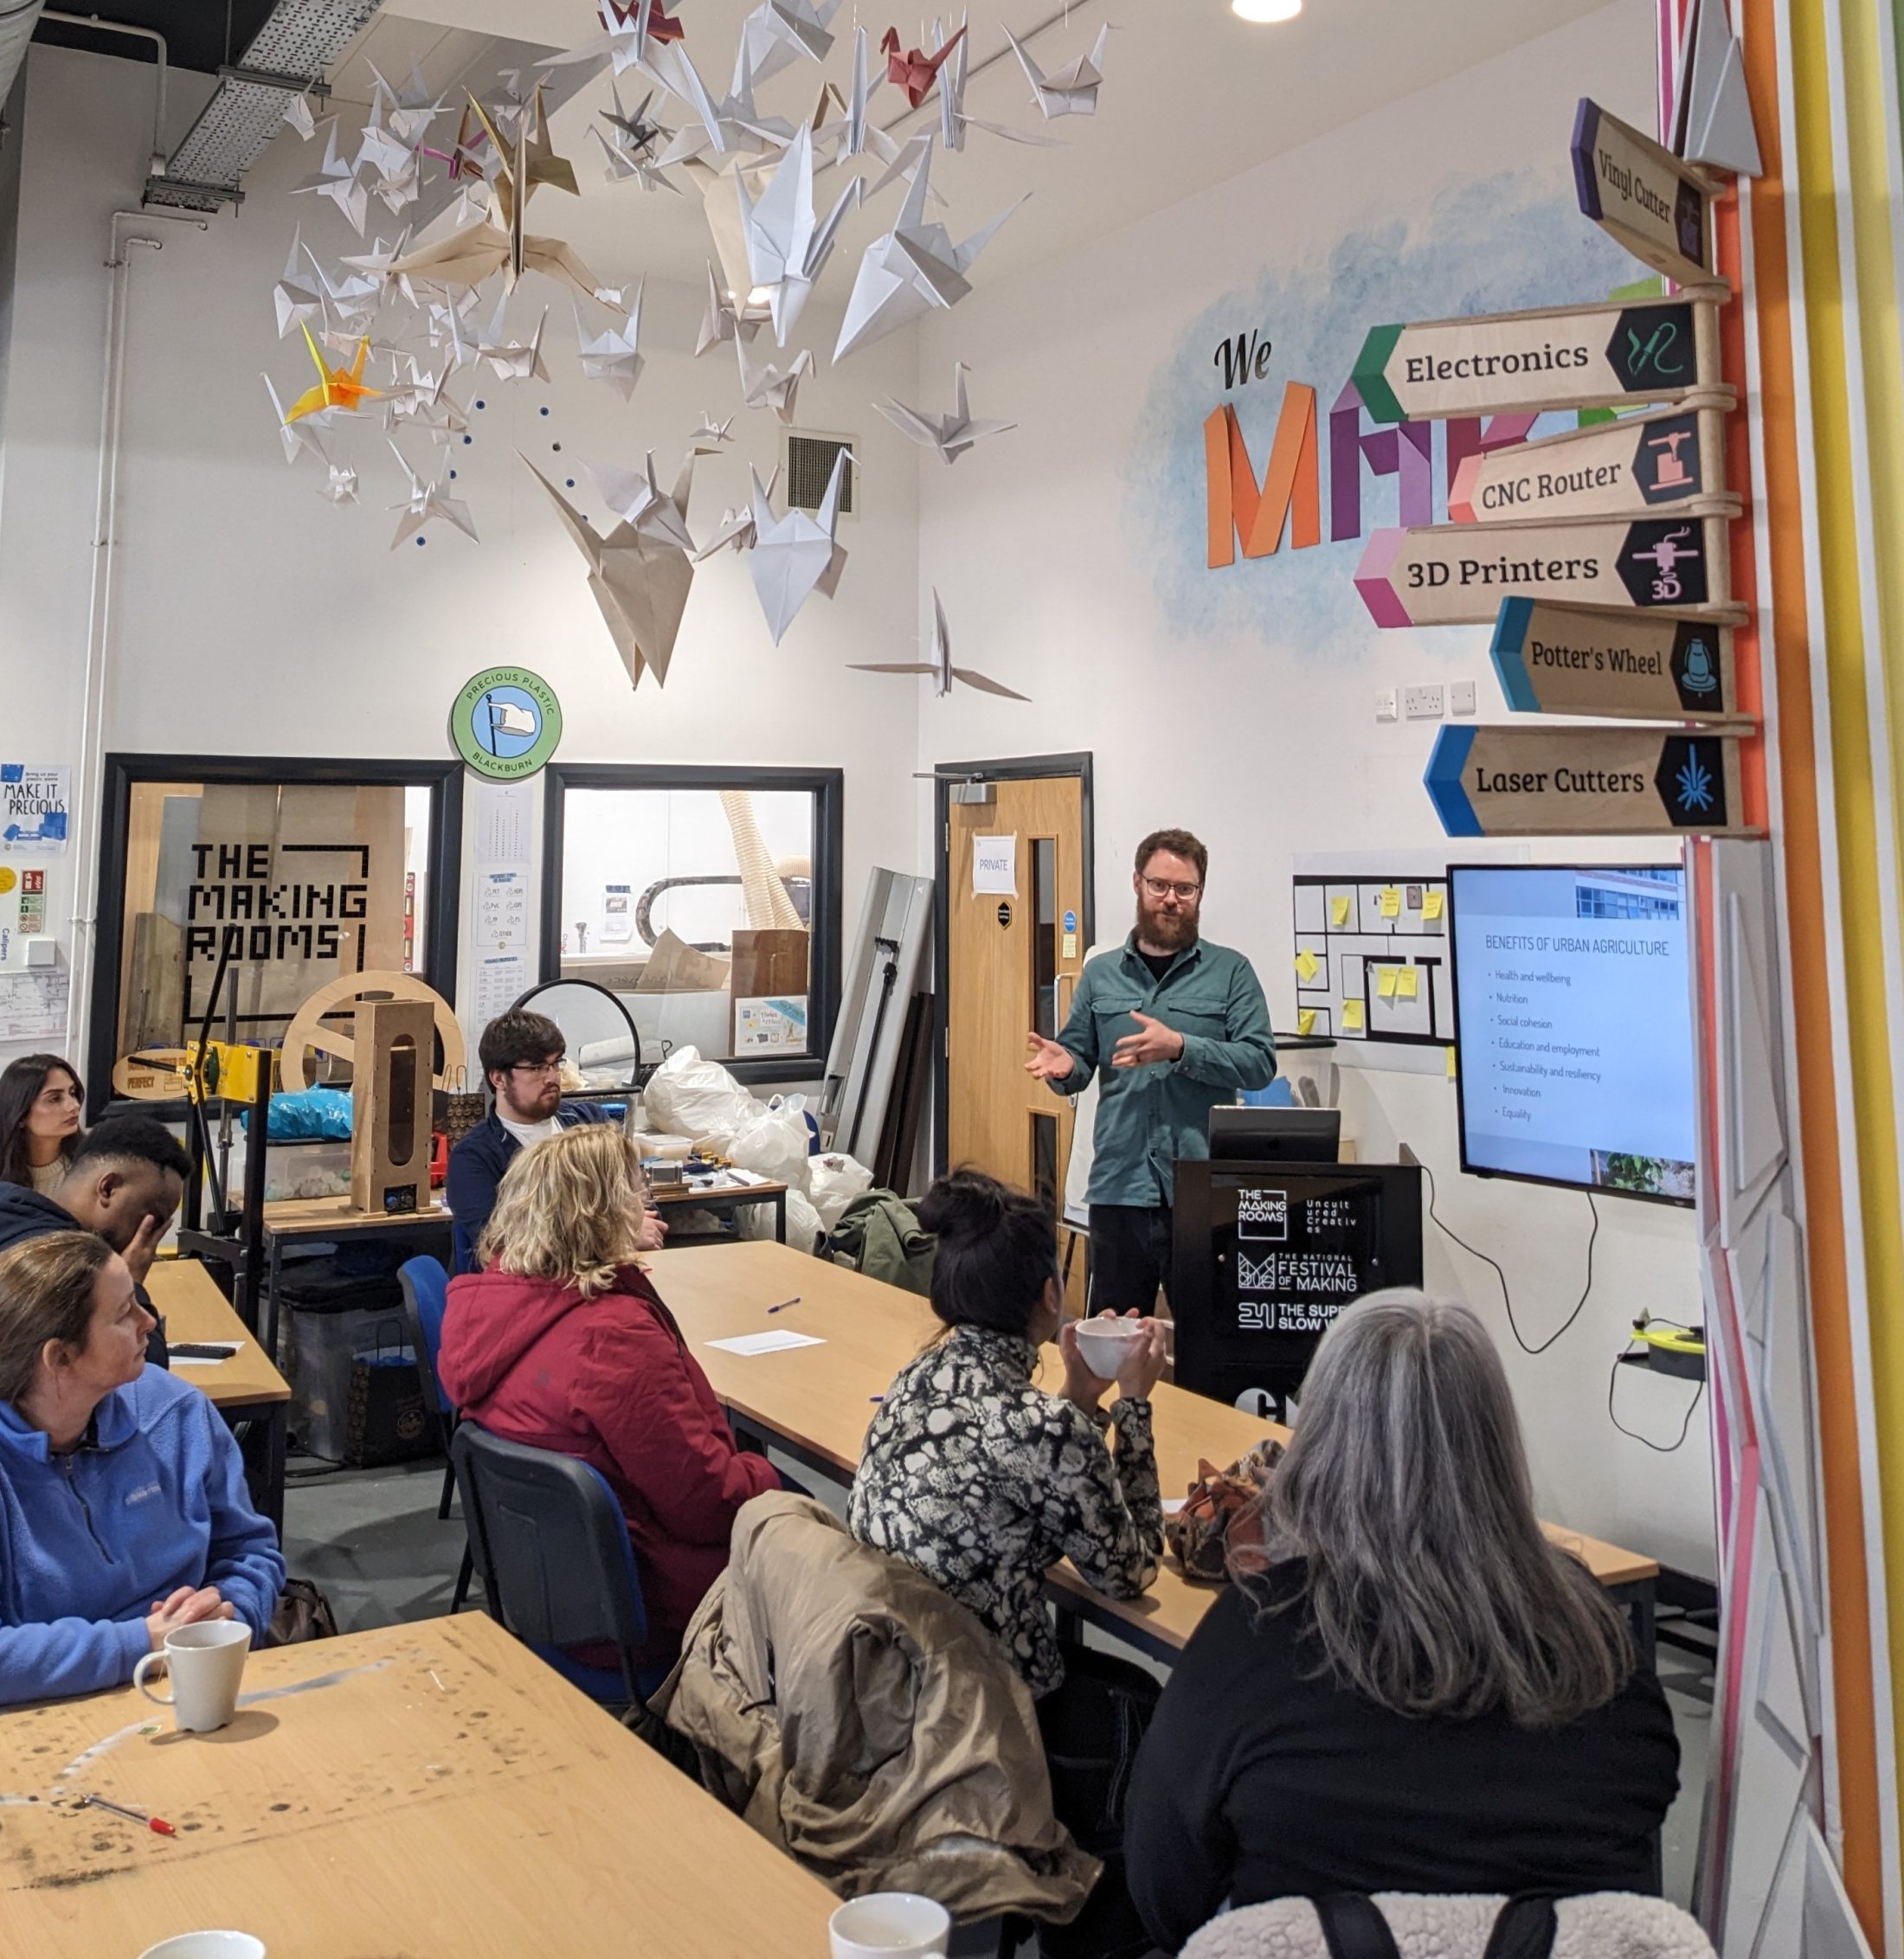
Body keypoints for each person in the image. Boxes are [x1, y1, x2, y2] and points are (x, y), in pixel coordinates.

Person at [1125, 1292, 1681, 1954]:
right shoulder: (1595, 1640)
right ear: (1498, 1443)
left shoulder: (1254, 1633)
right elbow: (1644, 1826)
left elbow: (1162, 1890)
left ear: (1318, 1445)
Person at [850, 1170, 1169, 1958]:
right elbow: (1130, 1571)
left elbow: (1014, 1478)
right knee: (1142, 1703)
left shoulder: (918, 1377)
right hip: (983, 1702)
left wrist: (1078, 1398)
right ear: (1051, 1297)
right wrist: (1132, 1404)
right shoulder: (1039, 1429)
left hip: (891, 1684)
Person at [437, 1123, 776, 1670]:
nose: (644, 1203)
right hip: (646, 1610)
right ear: (603, 1213)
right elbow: (709, 1506)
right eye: (636, 1191)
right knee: (820, 1532)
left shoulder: (487, 1309)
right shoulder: (612, 1337)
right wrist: (766, 1477)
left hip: (551, 1598)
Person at [0, 1231, 284, 1705]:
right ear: (60, 1357)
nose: (148, 1321)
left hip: (193, 1682)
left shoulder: (175, 1409)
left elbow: (250, 1550)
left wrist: (229, 1617)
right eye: (123, 1313)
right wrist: (142, 1642)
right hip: (46, 1710)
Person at [1026, 828, 1274, 1312]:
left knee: (1210, 1338)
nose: (1171, 900)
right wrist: (1065, 1066)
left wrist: (1181, 1048)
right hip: (1119, 1187)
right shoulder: (1101, 974)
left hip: (1201, 1191)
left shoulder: (1231, 972)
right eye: (1159, 885)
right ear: (1137, 883)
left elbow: (1259, 1062)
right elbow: (1079, 1061)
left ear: (1200, 892)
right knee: (1114, 1334)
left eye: (1185, 889)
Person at [0, 1115, 192, 1371]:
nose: (150, 1238)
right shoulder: (63, 1265)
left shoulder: (13, 1206)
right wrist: (131, 1281)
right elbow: (145, 1372)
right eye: (153, 1219)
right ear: (108, 1189)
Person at [447, 1007, 624, 1273]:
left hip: (602, 1276)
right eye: (537, 1068)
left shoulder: (591, 1123)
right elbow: (506, 1250)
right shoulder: (473, 1158)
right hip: (522, 1288)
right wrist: (614, 1238)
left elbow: (637, 1203)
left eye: (555, 1064)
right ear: (499, 1079)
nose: (552, 1077)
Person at [0, 1054, 85, 1196]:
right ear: (20, 1114)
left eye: (72, 1093)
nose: (74, 1105)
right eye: (55, 1099)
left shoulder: (91, 1166)